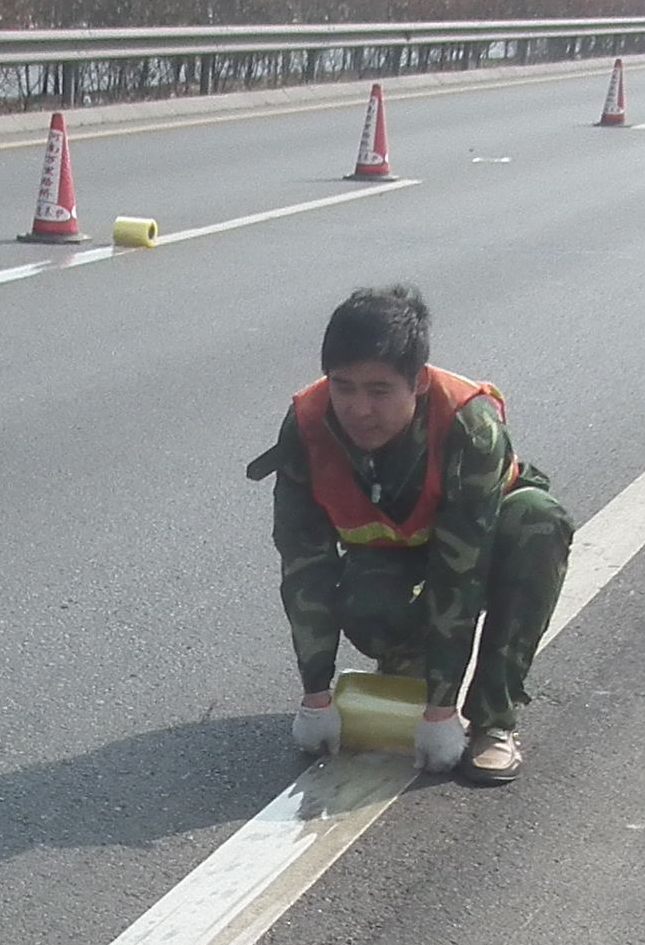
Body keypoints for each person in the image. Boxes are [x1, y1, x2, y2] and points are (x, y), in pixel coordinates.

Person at [245, 286, 574, 786]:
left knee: (539, 521)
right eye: (344, 387)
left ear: (417, 383)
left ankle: (493, 720)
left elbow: (458, 573)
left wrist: (442, 713)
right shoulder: (307, 425)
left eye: (379, 390)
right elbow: (303, 564)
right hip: (390, 554)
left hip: (477, 542)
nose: (359, 409)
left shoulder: (469, 425)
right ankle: (409, 665)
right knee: (368, 606)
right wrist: (315, 695)